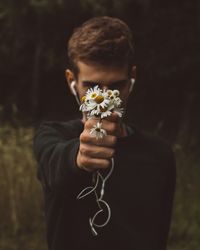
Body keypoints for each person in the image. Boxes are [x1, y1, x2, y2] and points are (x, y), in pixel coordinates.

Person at [33, 16, 176, 250]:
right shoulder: (51, 136)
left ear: (132, 79)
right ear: (72, 81)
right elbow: (55, 165)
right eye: (92, 87)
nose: (105, 99)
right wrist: (79, 158)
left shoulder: (159, 155)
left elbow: (159, 234)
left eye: (116, 86)